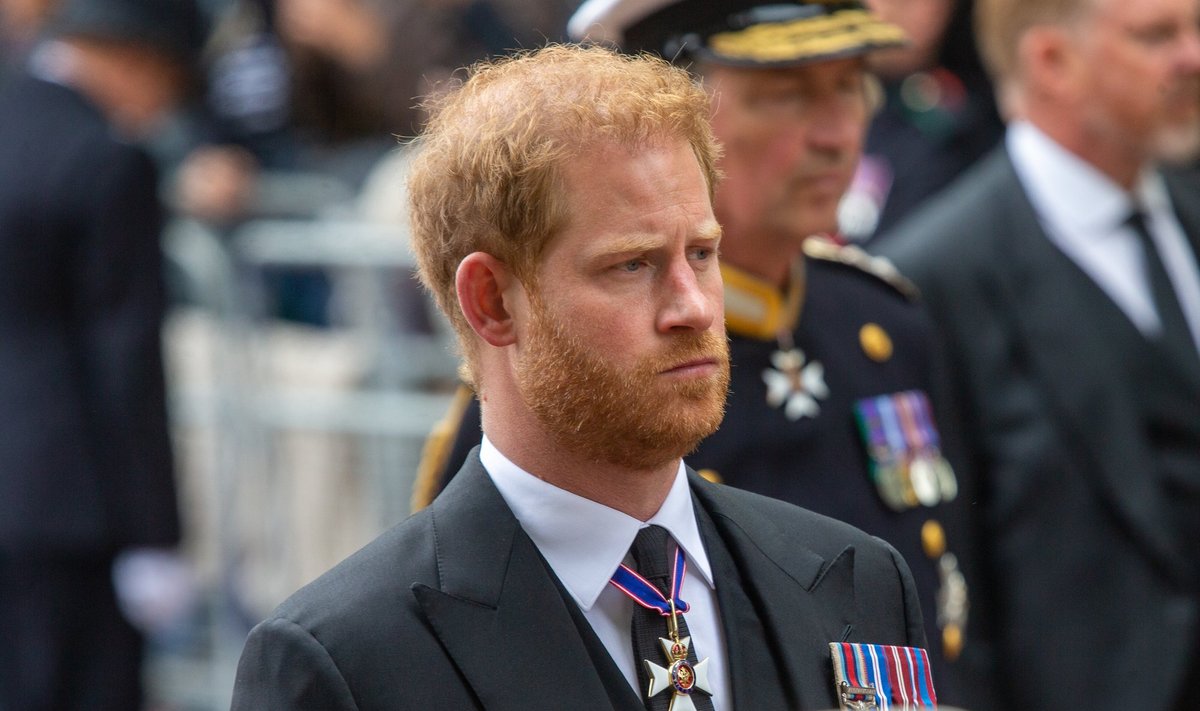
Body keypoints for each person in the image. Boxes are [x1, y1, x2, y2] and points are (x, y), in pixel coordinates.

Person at [231, 43, 934, 710]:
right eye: (632, 264)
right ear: (493, 302)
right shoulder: (347, 662)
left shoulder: (857, 580)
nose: (693, 307)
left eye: (702, 252)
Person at [414, 0, 976, 701]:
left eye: (848, 86)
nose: (835, 135)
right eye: (787, 94)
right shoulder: (565, 364)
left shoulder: (881, 322)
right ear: (671, 110)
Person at [872, 0, 1200, 708]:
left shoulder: (1189, 209)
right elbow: (947, 581)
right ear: (1051, 61)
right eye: (1157, 36)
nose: (1193, 58)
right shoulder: (932, 278)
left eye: (1197, 29)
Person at [0, 0, 204, 707]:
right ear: (138, 60)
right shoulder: (104, 158)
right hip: (71, 511)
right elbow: (124, 357)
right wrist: (154, 536)